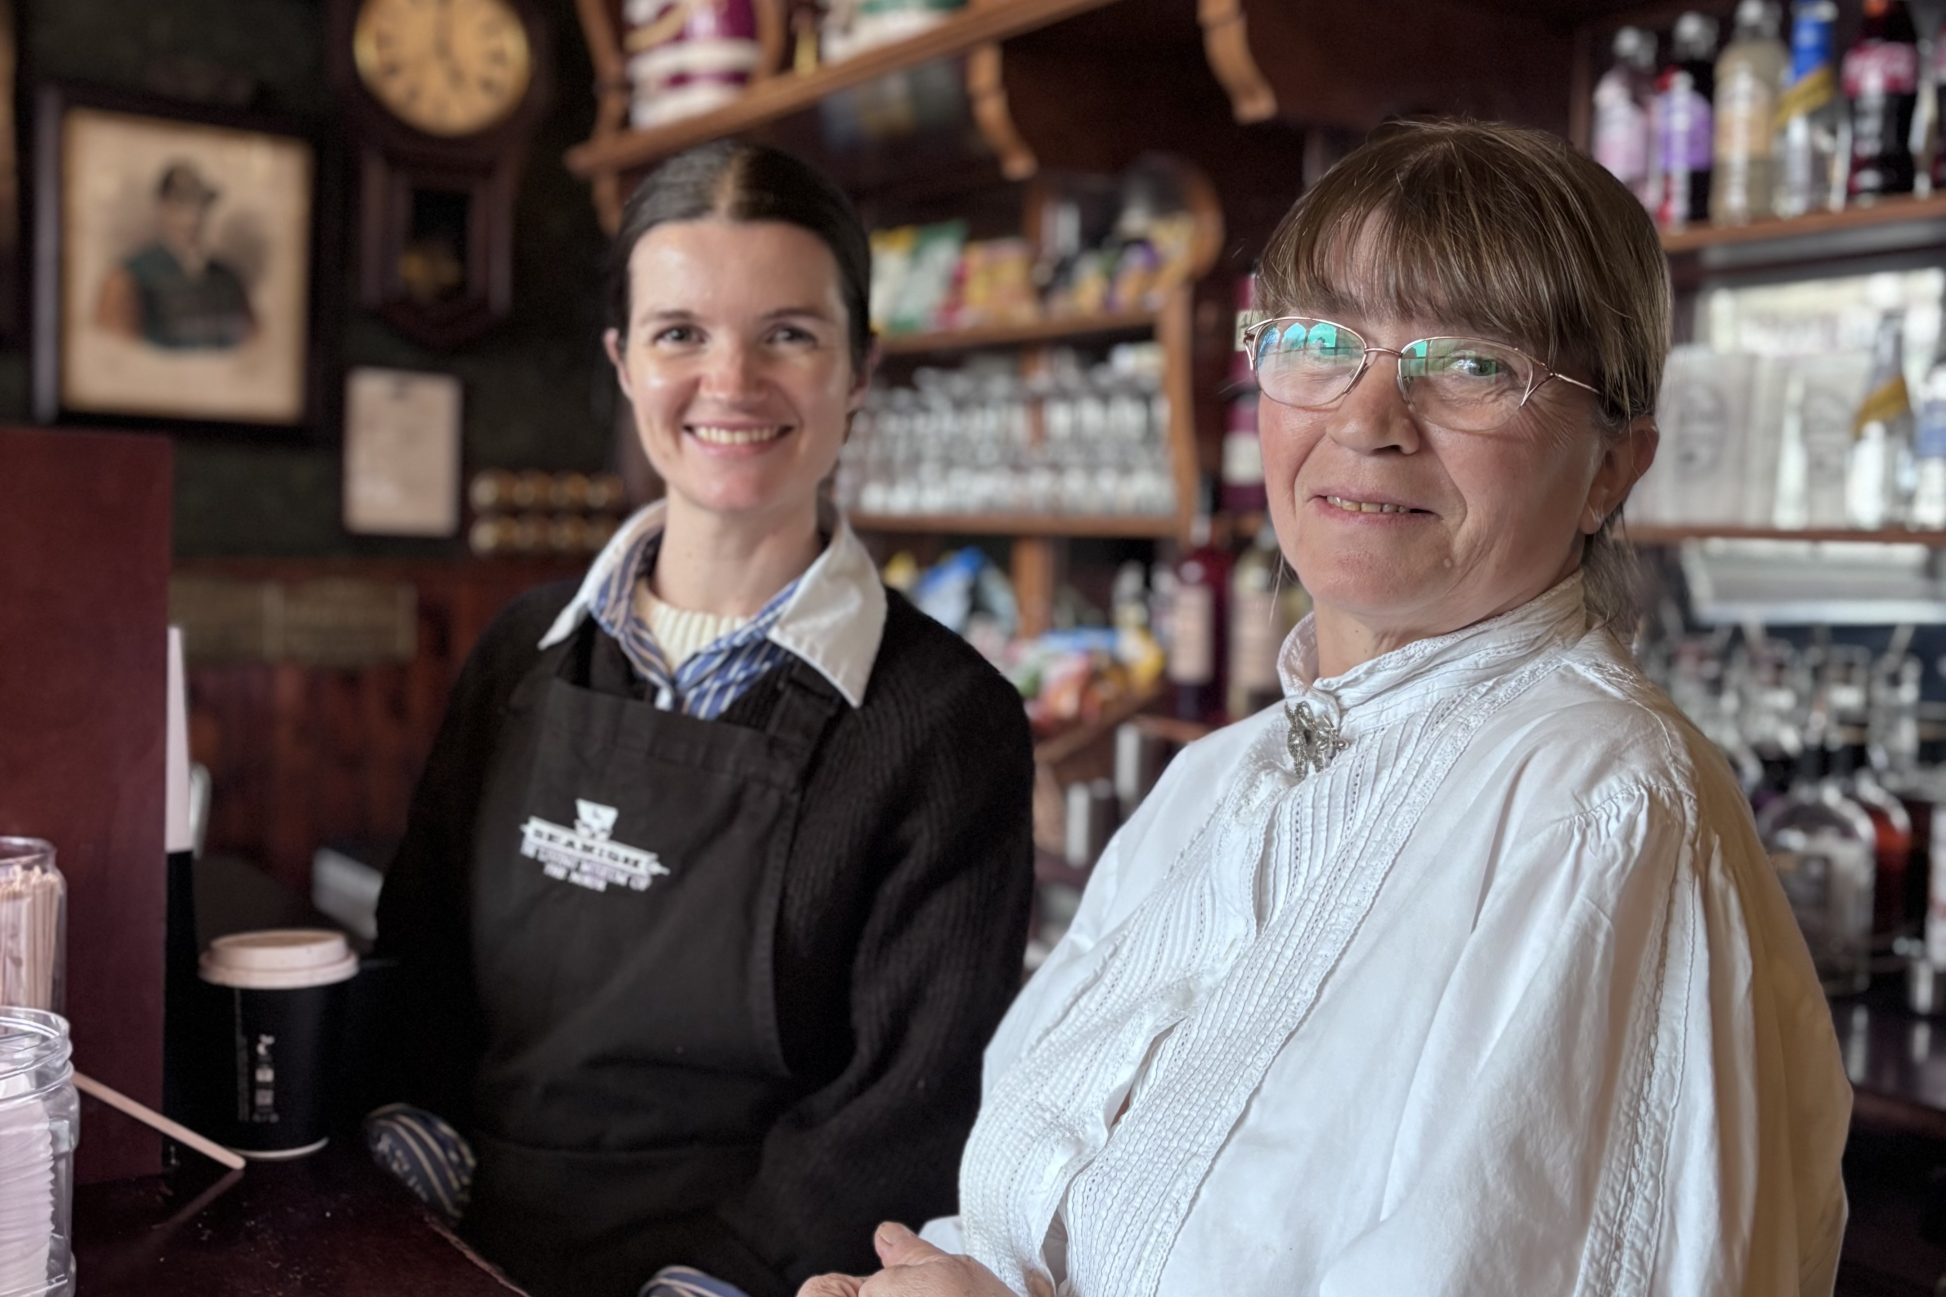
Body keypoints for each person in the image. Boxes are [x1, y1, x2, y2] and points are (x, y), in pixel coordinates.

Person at [800, 119, 1851, 1297]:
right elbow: (1034, 1219)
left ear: (1612, 467)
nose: (1367, 418)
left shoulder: (1604, 809)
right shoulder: (1215, 778)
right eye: (1317, 341)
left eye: (1469, 364)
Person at [371, 140, 1036, 1297]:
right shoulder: (517, 660)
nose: (729, 382)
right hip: (458, 1245)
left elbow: (904, 1101)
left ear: (859, 369)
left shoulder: (944, 720)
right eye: (681, 333)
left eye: (788, 333)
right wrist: (401, 1184)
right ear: (625, 363)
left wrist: (707, 1283)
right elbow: (420, 973)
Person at [93, 160, 257, 349]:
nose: (193, 214)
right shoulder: (127, 277)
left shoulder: (229, 278)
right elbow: (114, 356)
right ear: (163, 208)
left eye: (199, 202)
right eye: (181, 203)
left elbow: (256, 348)